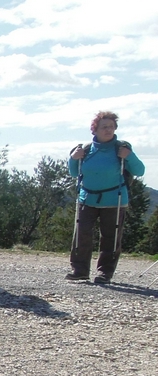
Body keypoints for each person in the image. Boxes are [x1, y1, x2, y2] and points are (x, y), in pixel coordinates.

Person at [66, 111, 145, 284]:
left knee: (111, 237)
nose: (108, 130)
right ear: (94, 130)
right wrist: (72, 159)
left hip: (114, 200)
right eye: (104, 127)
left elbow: (140, 171)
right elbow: (74, 172)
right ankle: (79, 270)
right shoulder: (85, 150)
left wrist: (129, 156)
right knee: (81, 235)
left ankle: (104, 273)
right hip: (87, 198)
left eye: (111, 126)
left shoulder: (121, 149)